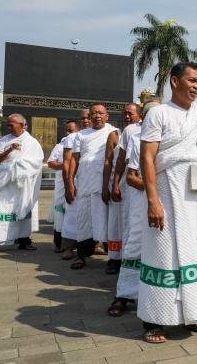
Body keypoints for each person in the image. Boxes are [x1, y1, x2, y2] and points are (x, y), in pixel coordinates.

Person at [138, 62, 197, 343]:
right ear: (175, 81)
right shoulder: (158, 114)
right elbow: (147, 159)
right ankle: (154, 320)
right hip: (168, 198)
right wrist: (153, 201)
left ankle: (195, 314)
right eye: (191, 80)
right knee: (164, 256)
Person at [107, 99, 158, 317]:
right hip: (142, 203)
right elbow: (131, 177)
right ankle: (124, 294)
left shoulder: (176, 139)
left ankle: (159, 298)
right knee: (134, 246)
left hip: (171, 206)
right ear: (145, 118)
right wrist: (156, 191)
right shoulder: (138, 139)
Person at [0, 114, 43, 255]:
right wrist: (9, 150)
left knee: (22, 209)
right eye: (8, 125)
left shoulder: (32, 142)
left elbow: (37, 163)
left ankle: (24, 240)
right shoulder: (5, 140)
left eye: (11, 125)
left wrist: (21, 166)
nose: (9, 128)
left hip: (22, 184)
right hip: (6, 182)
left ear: (21, 124)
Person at [69, 104, 116, 269]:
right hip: (85, 183)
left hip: (105, 184)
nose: (97, 116)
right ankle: (81, 255)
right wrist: (70, 183)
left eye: (100, 113)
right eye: (94, 113)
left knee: (110, 220)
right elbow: (74, 159)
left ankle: (113, 259)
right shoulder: (80, 135)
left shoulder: (113, 132)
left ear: (106, 116)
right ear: (89, 116)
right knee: (84, 220)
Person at [103, 103, 142, 275]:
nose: (127, 116)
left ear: (140, 116)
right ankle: (114, 258)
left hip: (136, 186)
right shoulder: (115, 135)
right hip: (119, 184)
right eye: (124, 113)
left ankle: (130, 259)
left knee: (131, 222)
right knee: (116, 222)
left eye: (130, 113)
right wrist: (111, 185)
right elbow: (109, 162)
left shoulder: (146, 132)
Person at [61, 110, 91, 260]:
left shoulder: (105, 134)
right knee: (72, 215)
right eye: (82, 118)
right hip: (76, 181)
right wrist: (69, 184)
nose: (85, 120)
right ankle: (68, 247)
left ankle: (95, 245)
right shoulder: (72, 137)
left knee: (93, 214)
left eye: (88, 117)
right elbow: (67, 163)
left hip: (93, 181)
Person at [48, 120, 79, 253]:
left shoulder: (82, 142)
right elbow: (50, 162)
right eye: (66, 130)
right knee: (61, 211)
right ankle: (60, 242)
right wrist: (64, 166)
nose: (67, 133)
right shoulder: (60, 146)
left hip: (79, 182)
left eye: (70, 130)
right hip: (62, 183)